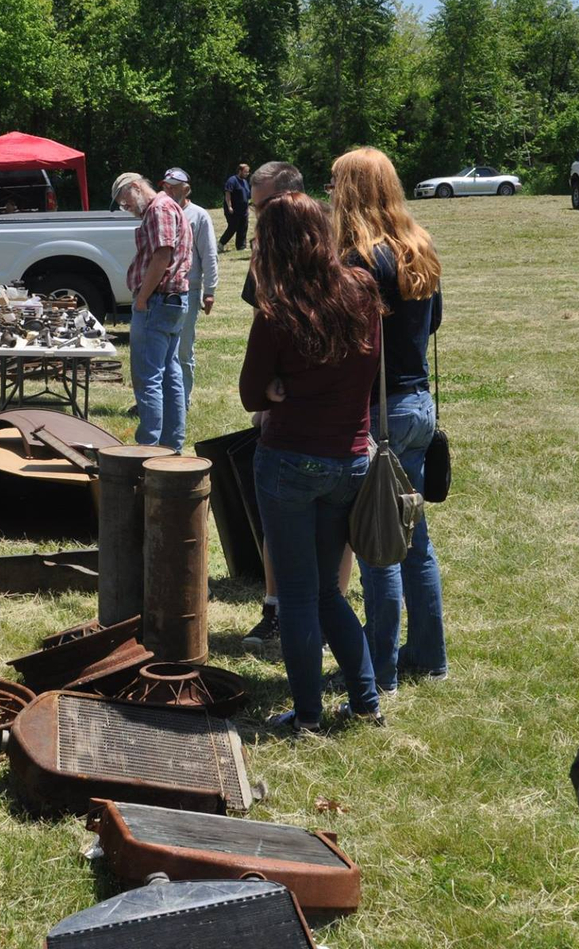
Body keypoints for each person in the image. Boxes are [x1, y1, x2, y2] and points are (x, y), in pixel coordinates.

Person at [238, 191, 386, 731]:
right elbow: (366, 374)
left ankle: (306, 715)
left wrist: (282, 390)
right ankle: (367, 703)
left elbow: (253, 393)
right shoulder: (363, 291)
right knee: (328, 591)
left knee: (298, 597)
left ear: (274, 247)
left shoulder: (277, 311)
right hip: (350, 460)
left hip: (290, 462)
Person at [330, 147, 447, 692]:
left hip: (379, 413)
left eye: (335, 185)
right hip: (419, 405)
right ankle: (429, 654)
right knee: (414, 541)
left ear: (349, 190)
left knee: (379, 546)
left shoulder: (358, 258)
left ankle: (380, 671)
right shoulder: (418, 246)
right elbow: (434, 323)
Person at [237, 160, 307, 654]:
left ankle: (314, 615)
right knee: (277, 524)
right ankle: (275, 610)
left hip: (317, 413)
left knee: (320, 531)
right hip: (281, 405)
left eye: (262, 206)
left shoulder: (319, 250)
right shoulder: (267, 252)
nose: (255, 216)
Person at [113, 172, 192, 451]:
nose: (128, 208)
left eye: (125, 201)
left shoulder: (158, 208)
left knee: (148, 378)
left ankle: (148, 448)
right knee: (170, 375)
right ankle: (171, 448)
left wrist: (143, 298)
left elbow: (163, 254)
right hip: (171, 301)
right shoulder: (168, 206)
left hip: (157, 301)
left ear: (136, 187)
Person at [161, 168, 218, 405]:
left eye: (174, 186)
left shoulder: (198, 215)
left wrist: (210, 291)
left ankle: (182, 400)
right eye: (166, 185)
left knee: (183, 349)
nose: (169, 189)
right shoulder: (162, 212)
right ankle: (163, 398)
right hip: (163, 290)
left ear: (187, 188)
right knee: (162, 350)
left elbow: (209, 253)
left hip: (189, 289)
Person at [220, 162, 252, 250]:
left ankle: (241, 246)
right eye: (245, 172)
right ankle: (221, 244)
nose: (247, 174)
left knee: (243, 227)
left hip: (243, 210)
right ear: (240, 171)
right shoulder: (232, 180)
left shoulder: (245, 182)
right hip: (234, 210)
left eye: (248, 172)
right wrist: (229, 206)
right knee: (233, 227)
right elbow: (228, 193)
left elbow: (247, 195)